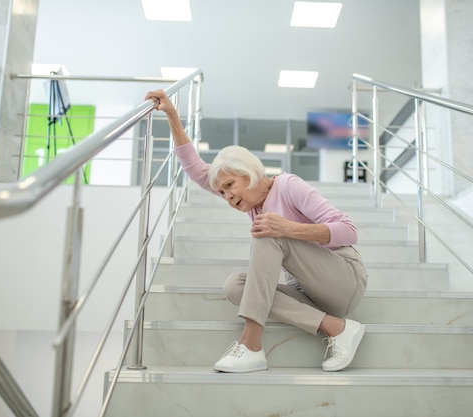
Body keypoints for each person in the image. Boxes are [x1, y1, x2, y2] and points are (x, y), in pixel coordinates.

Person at [145, 90, 368, 373]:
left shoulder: (288, 186)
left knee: (267, 231)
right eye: (222, 192)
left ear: (250, 173)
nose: (227, 196)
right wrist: (173, 116)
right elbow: (196, 169)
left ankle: (251, 346)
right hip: (309, 292)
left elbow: (349, 231)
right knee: (235, 286)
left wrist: (288, 228)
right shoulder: (253, 205)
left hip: (343, 278)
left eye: (230, 185)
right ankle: (337, 328)